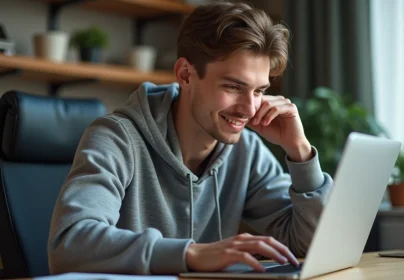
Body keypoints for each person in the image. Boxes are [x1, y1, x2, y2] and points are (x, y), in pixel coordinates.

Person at [48, 1, 333, 275]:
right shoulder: (116, 138)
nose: (249, 108)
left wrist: (300, 152)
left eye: (259, 91)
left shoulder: (246, 150)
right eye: (234, 86)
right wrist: (190, 254)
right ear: (185, 74)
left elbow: (311, 246)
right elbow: (69, 245)